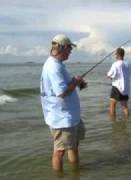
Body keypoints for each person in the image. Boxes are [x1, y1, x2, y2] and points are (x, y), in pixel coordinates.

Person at [40, 34, 87, 174]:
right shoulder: (54, 67)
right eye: (69, 48)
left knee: (73, 146)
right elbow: (61, 92)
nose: (70, 52)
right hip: (62, 118)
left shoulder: (58, 65)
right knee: (59, 152)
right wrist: (75, 82)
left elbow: (62, 86)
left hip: (69, 116)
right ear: (60, 48)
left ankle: (76, 173)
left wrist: (75, 81)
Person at [107, 48, 131, 120]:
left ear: (117, 55)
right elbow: (129, 73)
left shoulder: (115, 64)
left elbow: (109, 75)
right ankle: (127, 121)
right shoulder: (127, 64)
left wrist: (109, 76)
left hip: (117, 87)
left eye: (115, 54)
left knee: (112, 105)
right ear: (123, 54)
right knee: (125, 106)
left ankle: (113, 122)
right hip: (126, 89)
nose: (115, 55)